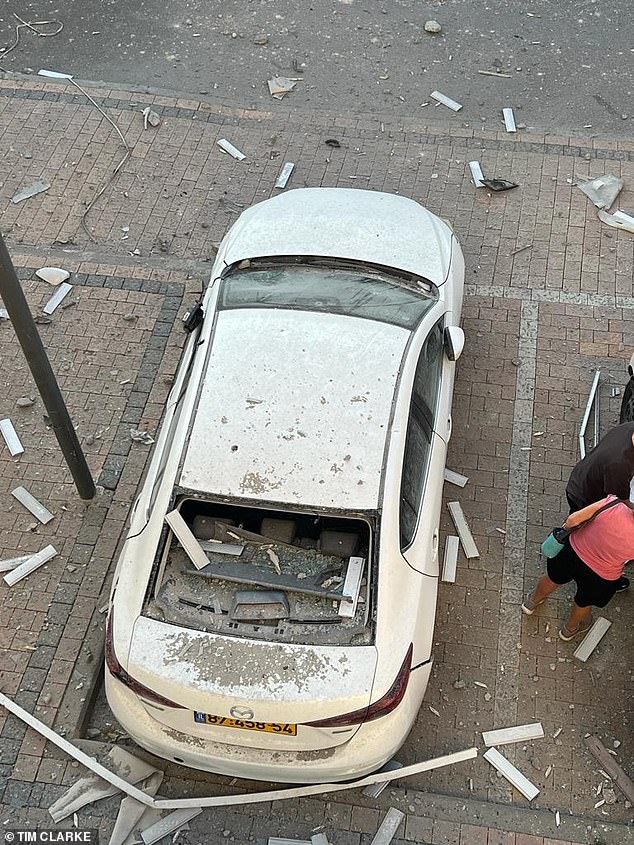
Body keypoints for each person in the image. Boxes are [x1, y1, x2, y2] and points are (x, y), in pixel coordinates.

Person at [522, 495, 634, 640]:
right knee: (583, 602)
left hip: (573, 552)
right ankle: (569, 629)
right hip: (602, 576)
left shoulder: (613, 504)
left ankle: (532, 602)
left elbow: (572, 520)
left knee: (552, 579)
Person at [565, 421, 634, 591]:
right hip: (586, 499)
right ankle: (582, 569)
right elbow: (619, 503)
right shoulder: (619, 464)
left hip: (582, 479)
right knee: (593, 539)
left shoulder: (629, 428)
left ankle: (569, 559)